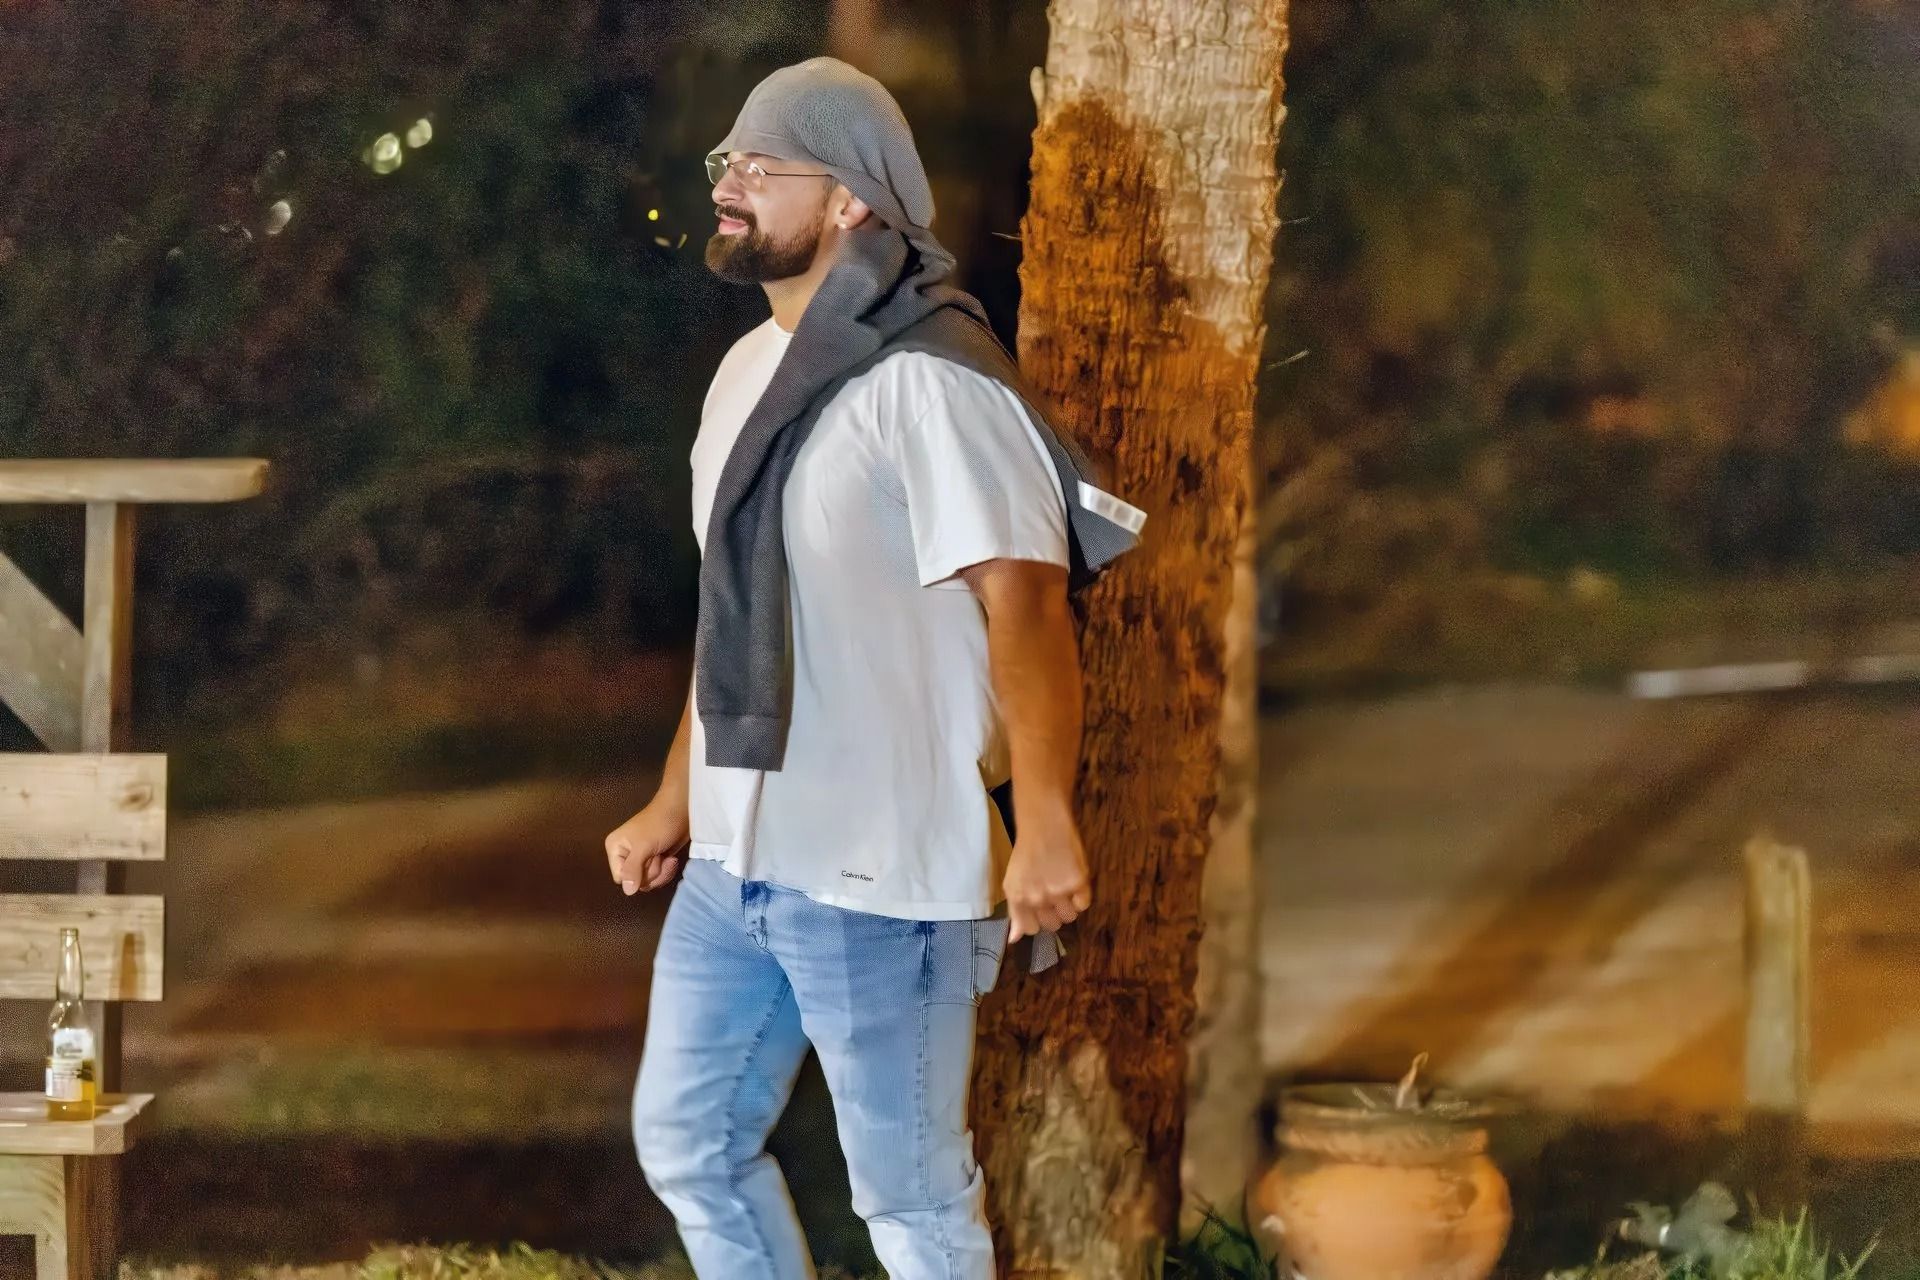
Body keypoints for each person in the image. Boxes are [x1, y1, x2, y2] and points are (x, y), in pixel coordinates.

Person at [603, 56, 1140, 1280]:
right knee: (687, 1142)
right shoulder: (747, 375)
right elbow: (735, 611)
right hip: (739, 859)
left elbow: (1029, 610)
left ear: (850, 202)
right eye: (725, 161)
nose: (729, 184)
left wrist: (1048, 821)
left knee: (911, 1203)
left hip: (881, 871)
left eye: (763, 165)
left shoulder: (934, 384)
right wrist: (675, 796)